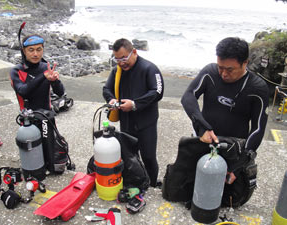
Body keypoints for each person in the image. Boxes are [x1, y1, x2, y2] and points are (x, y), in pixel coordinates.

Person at [181, 37, 269, 184]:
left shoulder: (257, 88)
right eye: (220, 67)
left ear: (245, 63)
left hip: (233, 148)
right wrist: (202, 127)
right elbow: (188, 97)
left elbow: (258, 128)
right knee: (195, 186)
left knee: (227, 193)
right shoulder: (210, 72)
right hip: (206, 138)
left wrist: (241, 162)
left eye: (230, 69)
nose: (223, 74)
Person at [103, 38, 164, 187]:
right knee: (130, 156)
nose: (121, 62)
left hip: (146, 122)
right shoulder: (117, 71)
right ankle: (137, 181)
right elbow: (106, 89)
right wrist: (111, 100)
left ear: (134, 52)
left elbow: (158, 92)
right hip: (127, 121)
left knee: (148, 157)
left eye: (124, 58)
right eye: (117, 59)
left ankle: (152, 184)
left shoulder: (149, 68)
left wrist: (135, 104)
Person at [10, 34, 64, 111]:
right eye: (31, 50)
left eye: (39, 50)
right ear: (24, 51)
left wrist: (55, 81)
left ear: (43, 50)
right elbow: (23, 91)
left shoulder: (47, 67)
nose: (35, 54)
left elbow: (60, 92)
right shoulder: (17, 71)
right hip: (28, 118)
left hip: (47, 116)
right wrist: (43, 76)